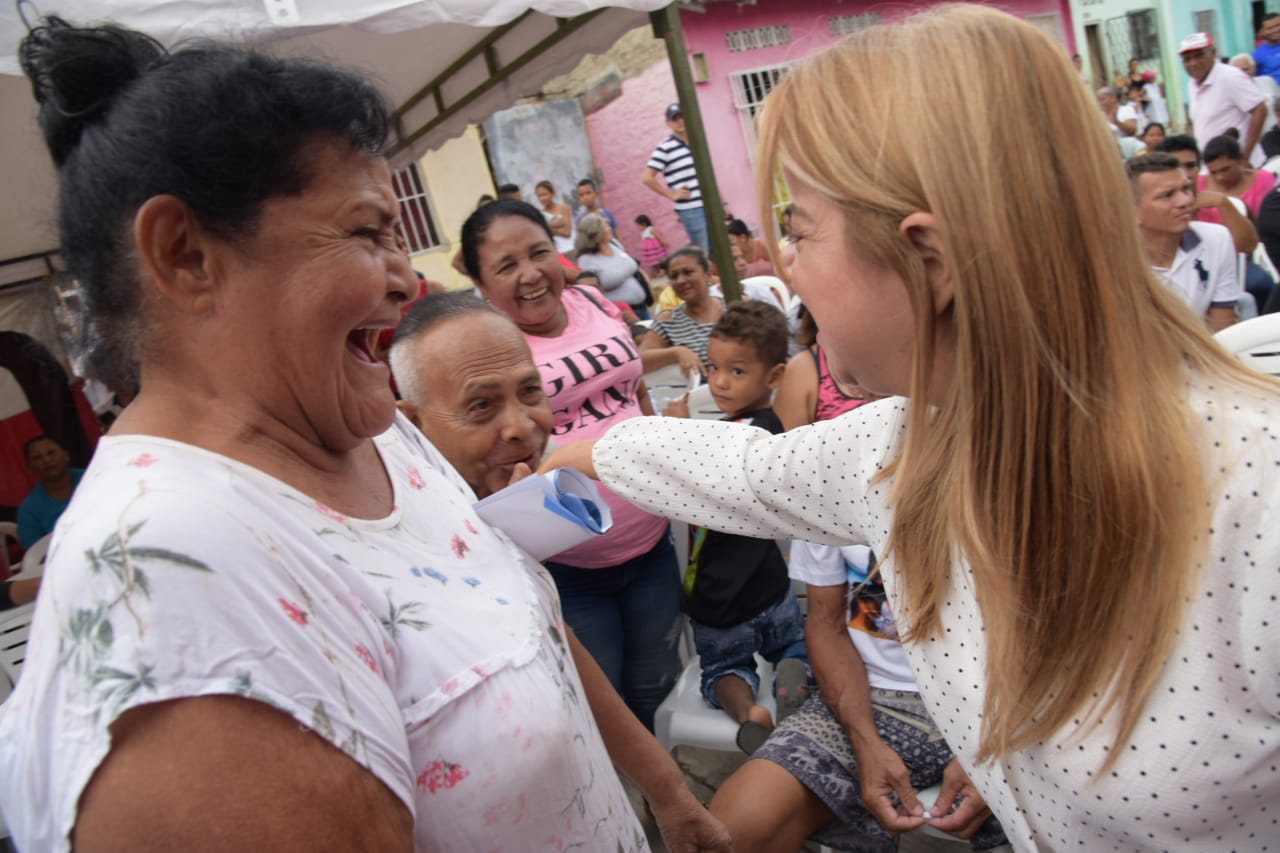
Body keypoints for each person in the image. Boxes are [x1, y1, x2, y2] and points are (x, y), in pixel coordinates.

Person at [543, 6, 1280, 849]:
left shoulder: (1258, 498)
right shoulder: (905, 447)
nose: (783, 266)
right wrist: (565, 455)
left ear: (927, 261)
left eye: (800, 228)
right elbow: (739, 469)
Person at [2, 18, 732, 853]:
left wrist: (668, 792)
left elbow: (528, 627)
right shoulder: (169, 583)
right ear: (185, 256)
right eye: (365, 232)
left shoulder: (375, 434)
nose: (406, 277)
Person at [385, 292, 731, 844]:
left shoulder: (506, 512)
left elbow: (557, 640)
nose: (523, 426)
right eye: (481, 406)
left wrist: (668, 794)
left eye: (530, 392)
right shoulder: (404, 562)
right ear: (413, 423)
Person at [458, 199, 682, 733]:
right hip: (568, 568)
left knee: (657, 686)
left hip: (652, 543)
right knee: (602, 705)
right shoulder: (485, 346)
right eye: (507, 266)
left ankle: (664, 799)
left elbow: (633, 389)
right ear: (482, 284)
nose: (531, 275)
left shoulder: (591, 301)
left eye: (540, 254)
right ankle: (632, 806)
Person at [661, 301, 809, 754]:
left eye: (737, 371)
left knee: (724, 670)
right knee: (796, 645)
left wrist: (678, 434)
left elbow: (692, 494)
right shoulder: (771, 428)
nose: (720, 381)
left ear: (775, 376)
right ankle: (794, 672)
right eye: (714, 367)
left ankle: (748, 712)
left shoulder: (726, 438)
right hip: (772, 588)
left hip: (718, 601)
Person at [1129, 153, 1241, 330]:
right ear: (1132, 210)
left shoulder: (1217, 239)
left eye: (1186, 189)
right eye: (1168, 195)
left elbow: (1224, 333)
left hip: (1203, 353)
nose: (1185, 201)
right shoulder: (1112, 258)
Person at [1156, 134, 1260, 253]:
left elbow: (1248, 247)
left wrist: (1223, 203)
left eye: (1190, 166)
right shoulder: (1156, 211)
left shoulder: (1217, 204)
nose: (1186, 173)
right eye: (1177, 167)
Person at [1181, 32, 1267, 166]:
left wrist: (1245, 156)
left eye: (1199, 56)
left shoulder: (1230, 76)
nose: (1193, 63)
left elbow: (1260, 109)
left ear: (1213, 53)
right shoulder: (1192, 84)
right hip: (1215, 166)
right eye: (1187, 59)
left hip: (1241, 165)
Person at [639, 246, 724, 375]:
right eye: (674, 276)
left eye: (688, 272)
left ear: (708, 275)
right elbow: (639, 361)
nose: (680, 281)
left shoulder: (731, 308)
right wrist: (676, 352)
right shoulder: (669, 321)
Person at [643, 102, 710, 252]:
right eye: (675, 118)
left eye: (682, 117)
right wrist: (671, 195)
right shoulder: (665, 147)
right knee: (703, 253)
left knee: (720, 251)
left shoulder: (697, 141)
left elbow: (707, 175)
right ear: (669, 123)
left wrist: (722, 203)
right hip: (691, 209)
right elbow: (647, 178)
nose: (680, 121)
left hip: (710, 205)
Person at [573, 213, 651, 319]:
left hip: (642, 307)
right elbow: (595, 289)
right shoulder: (586, 260)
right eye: (605, 226)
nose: (610, 228)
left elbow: (632, 263)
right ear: (595, 232)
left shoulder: (614, 244)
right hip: (623, 315)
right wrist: (628, 267)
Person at [16, 435, 84, 548]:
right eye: (38, 457)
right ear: (30, 467)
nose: (47, 460)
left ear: (66, 456)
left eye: (51, 453)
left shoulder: (94, 479)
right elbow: (35, 555)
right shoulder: (28, 510)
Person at [1199, 133, 1278, 219]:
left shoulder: (1263, 179)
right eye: (1213, 172)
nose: (1220, 177)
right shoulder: (1198, 184)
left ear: (1240, 160)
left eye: (1225, 169)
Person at [535, 179, 575, 255]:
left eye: (544, 195)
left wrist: (548, 227)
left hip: (572, 249)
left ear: (552, 193)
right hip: (558, 253)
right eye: (539, 196)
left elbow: (567, 233)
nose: (542, 198)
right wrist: (559, 224)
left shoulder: (564, 208)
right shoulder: (541, 215)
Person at [636, 213, 670, 277]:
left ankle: (664, 270)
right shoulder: (643, 232)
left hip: (655, 248)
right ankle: (659, 272)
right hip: (650, 251)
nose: (637, 227)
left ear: (643, 224)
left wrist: (664, 242)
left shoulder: (651, 229)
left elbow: (659, 236)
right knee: (654, 262)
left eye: (638, 225)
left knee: (660, 260)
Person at [1254, 12, 1280, 86]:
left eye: (1278, 25)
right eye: (1270, 28)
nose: (1275, 30)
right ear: (1263, 31)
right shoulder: (1257, 56)